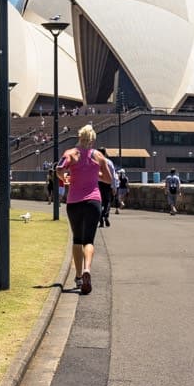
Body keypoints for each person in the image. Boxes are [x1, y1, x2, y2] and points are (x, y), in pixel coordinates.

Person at [56, 124, 113, 295]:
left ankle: (79, 276)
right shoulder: (98, 156)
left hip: (74, 202)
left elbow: (59, 168)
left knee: (77, 239)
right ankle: (88, 269)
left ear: (79, 137)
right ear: (93, 140)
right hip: (93, 201)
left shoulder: (71, 153)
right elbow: (109, 179)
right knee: (89, 240)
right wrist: (95, 174)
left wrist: (65, 177)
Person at [97, 147, 116, 227]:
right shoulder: (109, 162)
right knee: (107, 202)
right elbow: (113, 175)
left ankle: (101, 218)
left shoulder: (95, 162)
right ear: (105, 153)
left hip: (98, 184)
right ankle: (105, 215)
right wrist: (114, 186)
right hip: (107, 184)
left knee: (99, 202)